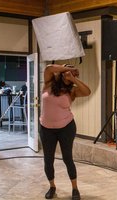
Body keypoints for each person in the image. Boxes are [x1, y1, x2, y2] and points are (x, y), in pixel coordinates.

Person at [39, 63, 91, 200]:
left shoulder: (72, 91)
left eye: (71, 71)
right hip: (46, 128)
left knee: (67, 158)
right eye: (65, 69)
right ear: (61, 71)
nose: (68, 72)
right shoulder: (49, 82)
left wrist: (73, 79)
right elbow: (49, 68)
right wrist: (68, 69)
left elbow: (87, 91)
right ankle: (52, 187)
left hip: (66, 128)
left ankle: (75, 189)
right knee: (48, 160)